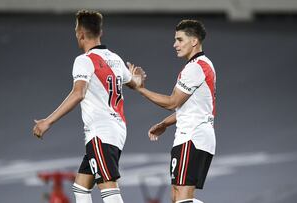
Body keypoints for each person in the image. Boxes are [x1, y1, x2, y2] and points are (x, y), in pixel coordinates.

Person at [32, 10, 144, 203]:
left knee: (108, 186)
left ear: (80, 34)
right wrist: (137, 78)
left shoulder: (84, 61)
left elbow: (78, 93)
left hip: (100, 132)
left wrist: (47, 121)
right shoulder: (115, 59)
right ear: (101, 32)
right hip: (116, 130)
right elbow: (134, 84)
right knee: (81, 187)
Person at [129, 19, 216, 203]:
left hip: (192, 136)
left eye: (180, 39)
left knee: (182, 198)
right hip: (193, 135)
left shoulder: (195, 68)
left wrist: (139, 88)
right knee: (176, 196)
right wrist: (164, 124)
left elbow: (172, 102)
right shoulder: (201, 65)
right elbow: (190, 109)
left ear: (194, 41)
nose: (175, 44)